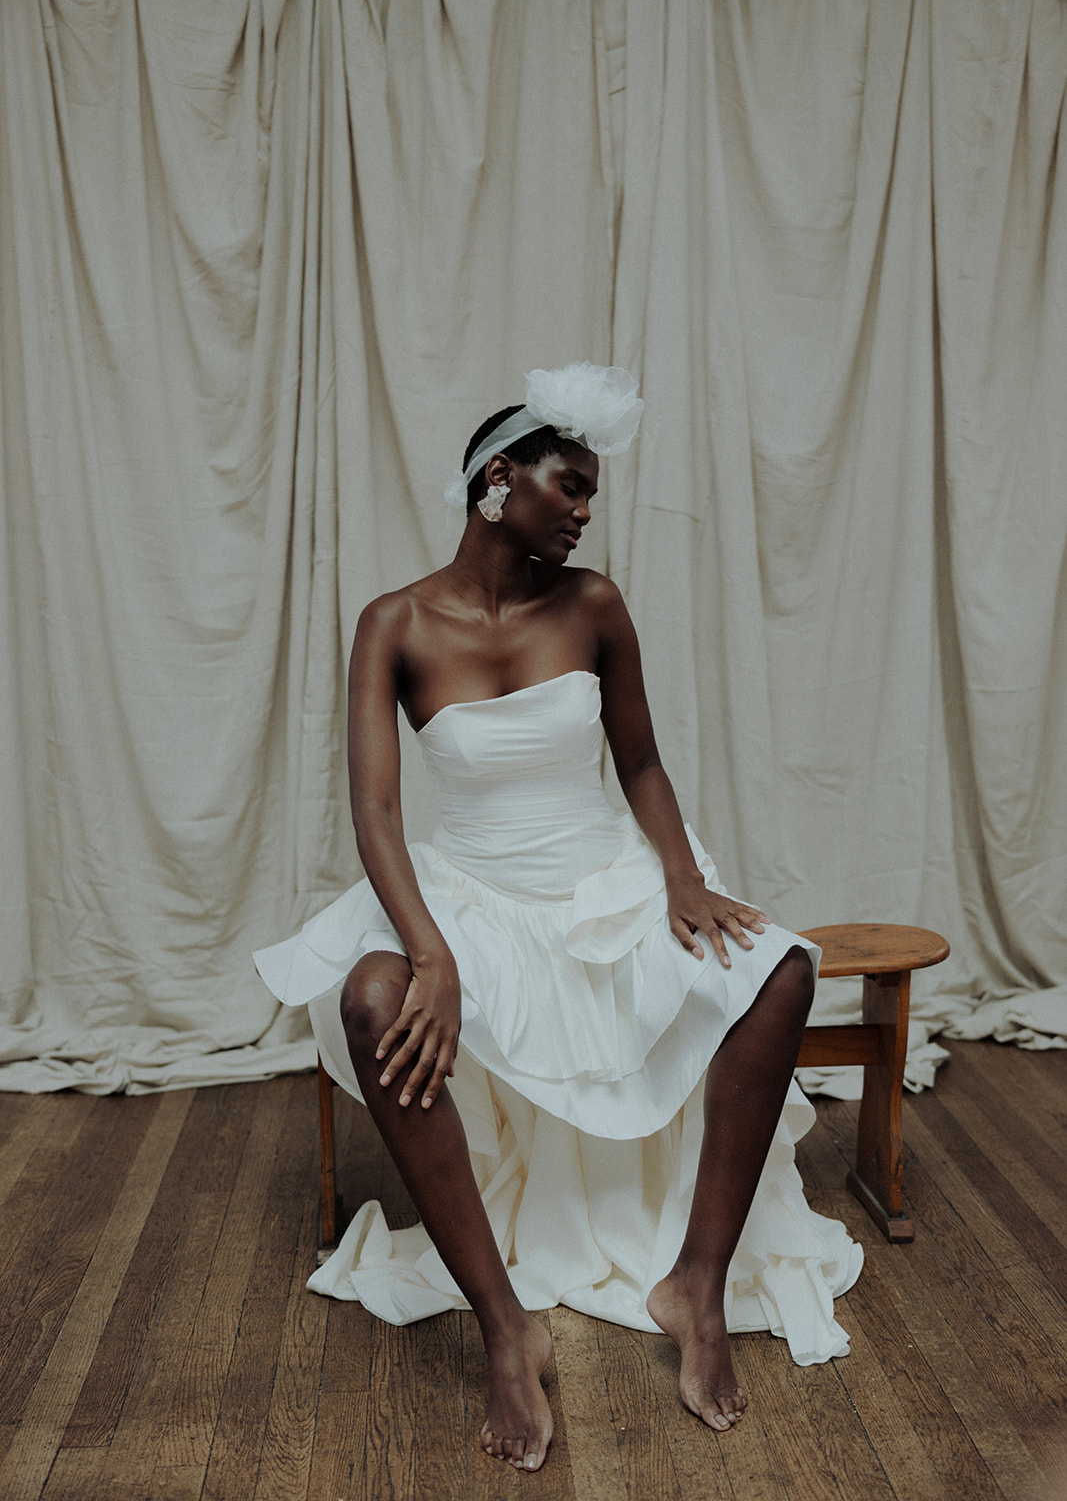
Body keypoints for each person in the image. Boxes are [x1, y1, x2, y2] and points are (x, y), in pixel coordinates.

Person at [255, 362, 862, 1474]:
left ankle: (697, 1281)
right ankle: (504, 1323)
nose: (584, 511)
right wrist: (430, 949)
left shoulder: (591, 604)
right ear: (499, 478)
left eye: (590, 492)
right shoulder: (392, 621)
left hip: (602, 883)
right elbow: (376, 811)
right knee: (369, 995)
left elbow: (637, 760)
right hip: (470, 897)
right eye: (568, 486)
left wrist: (678, 875)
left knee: (776, 971)